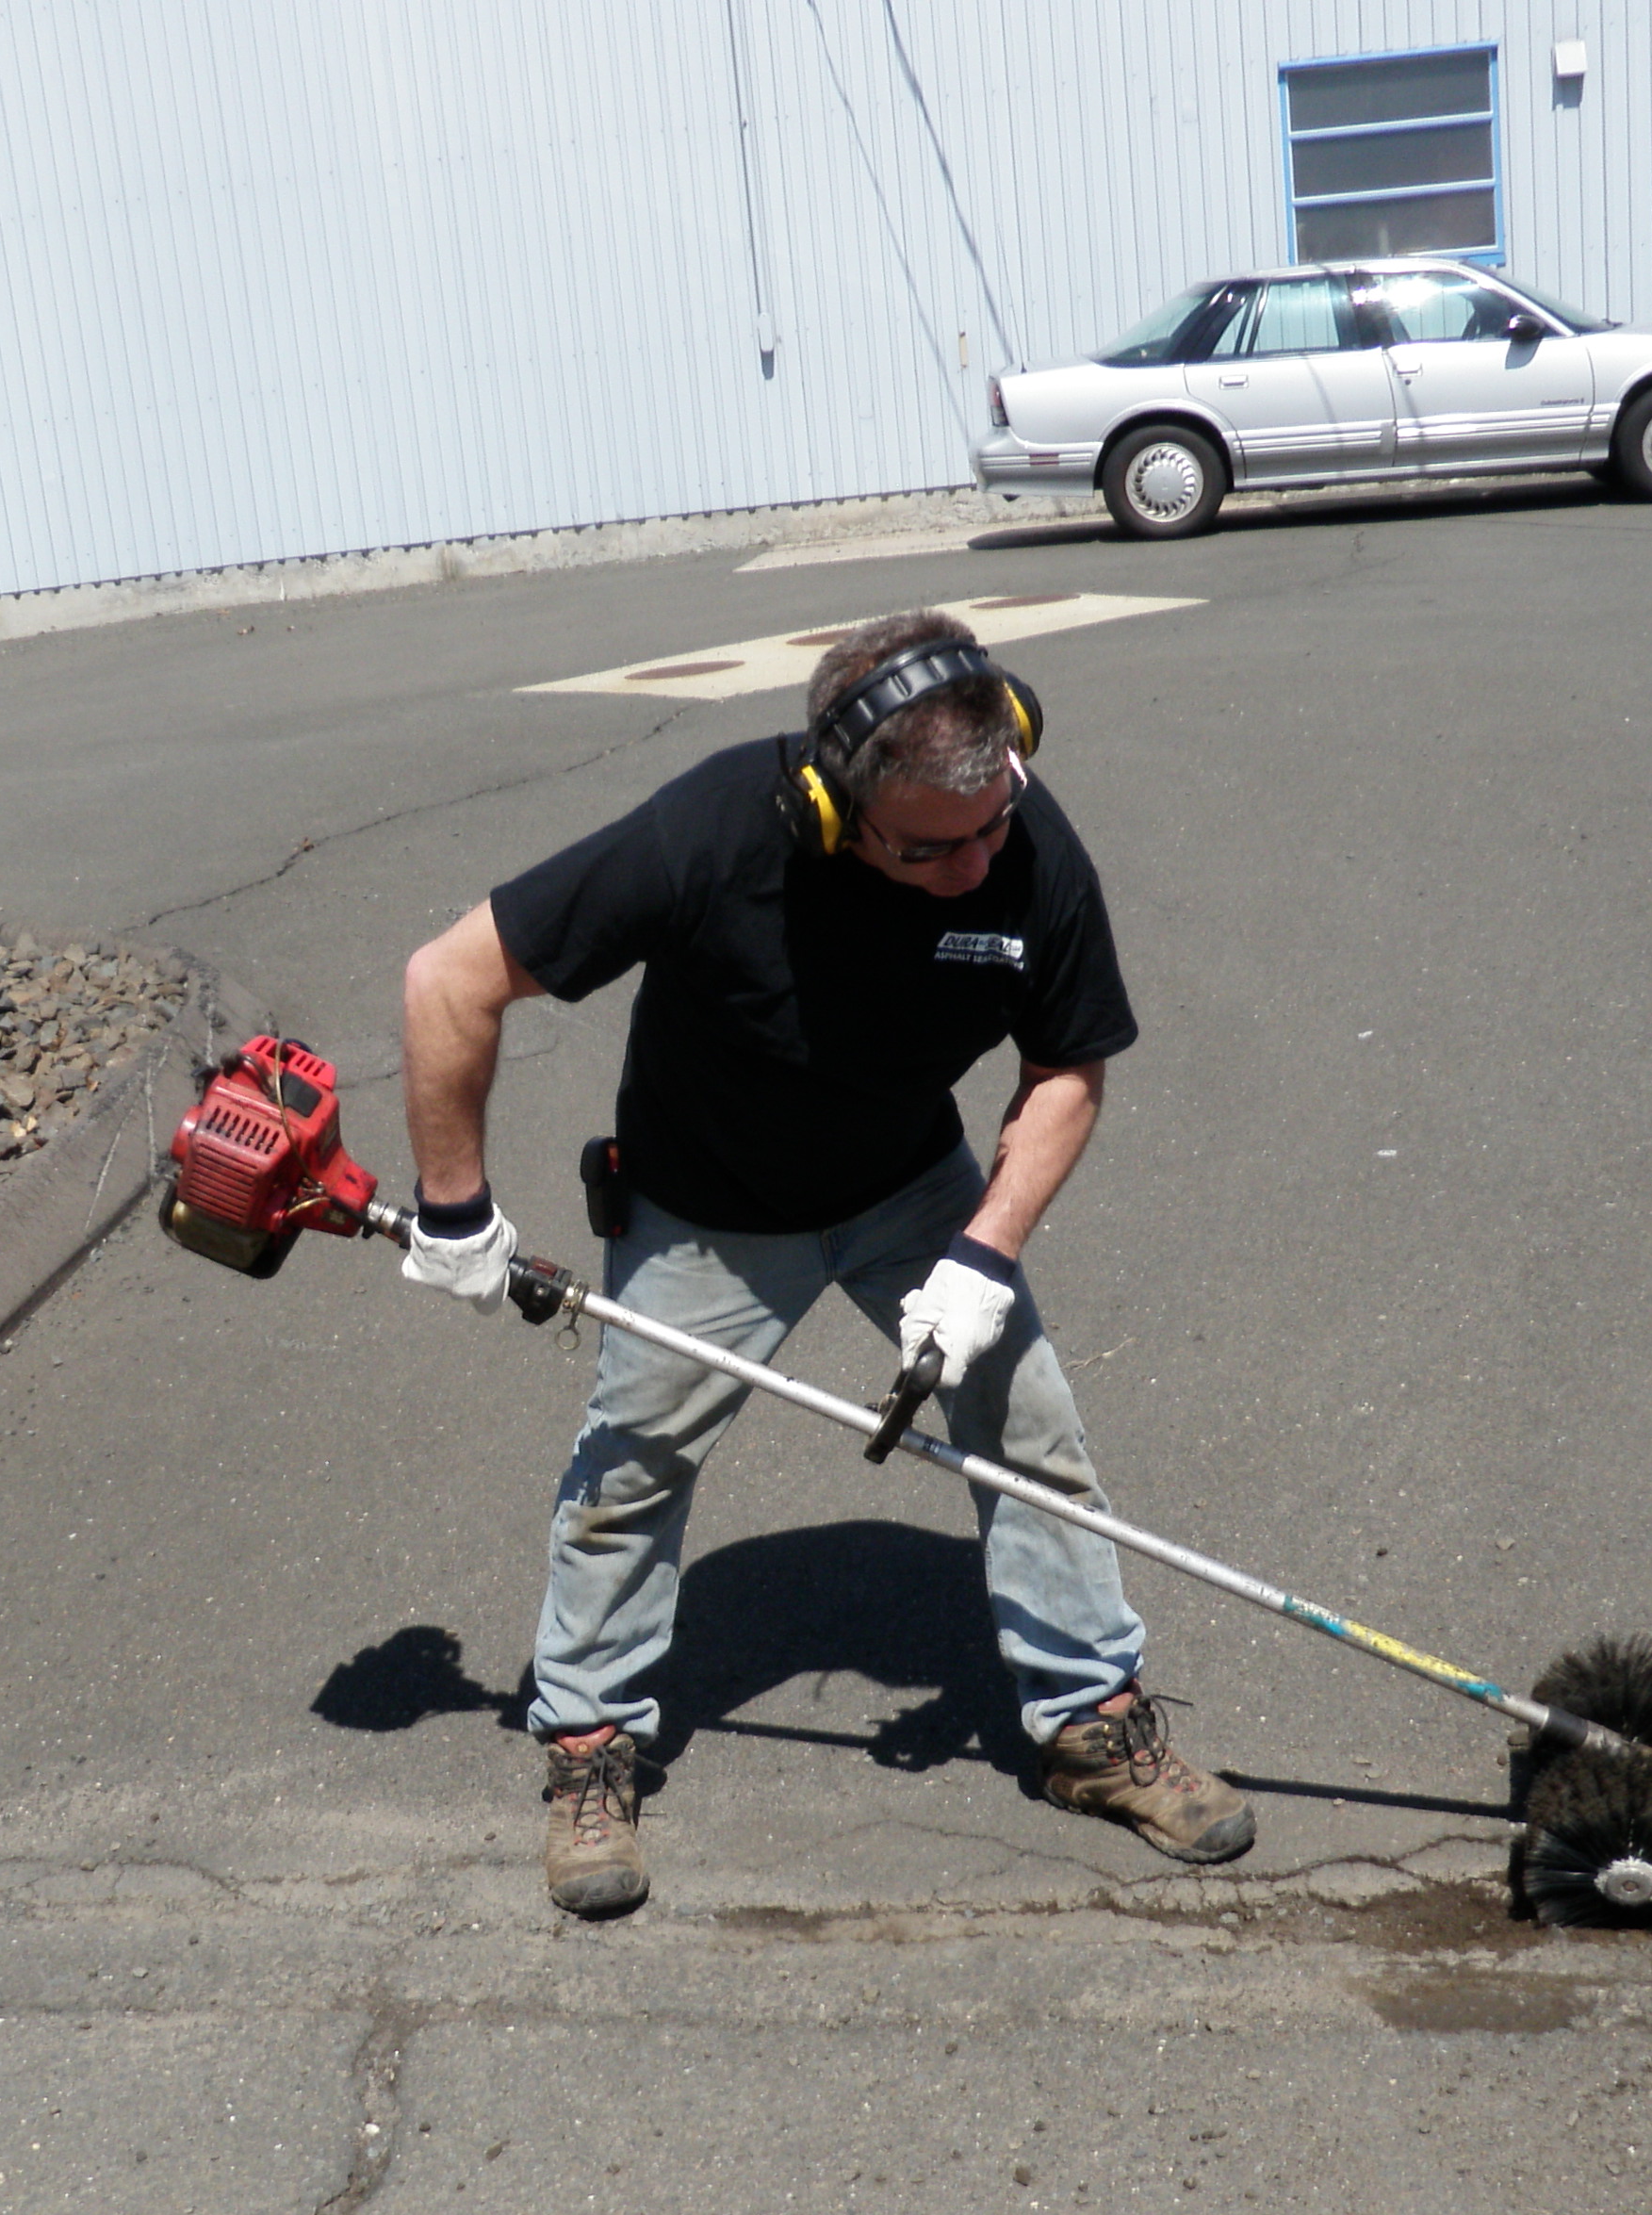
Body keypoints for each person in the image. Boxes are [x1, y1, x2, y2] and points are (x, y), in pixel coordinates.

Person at [396, 608, 1254, 1915]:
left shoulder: (1024, 847)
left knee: (1033, 1435)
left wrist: (982, 1254)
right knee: (634, 1467)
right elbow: (449, 980)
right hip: (707, 1211)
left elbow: (1067, 1067)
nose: (974, 868)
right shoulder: (714, 834)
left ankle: (1090, 1721)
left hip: (911, 1191)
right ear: (826, 807)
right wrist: (454, 1207)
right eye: (929, 847)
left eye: (991, 828)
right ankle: (587, 1738)